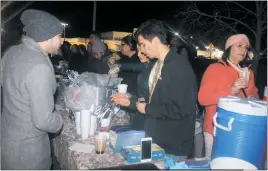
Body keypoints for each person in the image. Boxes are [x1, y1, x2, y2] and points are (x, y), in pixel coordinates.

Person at [1, 9, 63, 169]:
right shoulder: (39, 65)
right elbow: (43, 121)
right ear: (47, 36)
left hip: (7, 140)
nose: (61, 41)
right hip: (27, 153)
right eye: (59, 36)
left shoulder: (11, 52)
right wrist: (60, 121)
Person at [135, 19, 197, 161]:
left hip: (172, 146)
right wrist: (134, 102)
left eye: (144, 45)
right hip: (157, 140)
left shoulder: (178, 67)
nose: (142, 50)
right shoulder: (160, 64)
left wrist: (148, 109)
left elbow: (182, 109)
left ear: (155, 40)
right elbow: (157, 99)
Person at [198, 34, 259, 158]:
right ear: (229, 48)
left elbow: (255, 96)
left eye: (246, 47)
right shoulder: (215, 69)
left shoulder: (248, 73)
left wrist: (252, 99)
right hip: (217, 129)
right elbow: (203, 98)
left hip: (242, 129)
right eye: (239, 46)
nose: (243, 50)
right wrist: (231, 90)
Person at [111, 45, 156, 130]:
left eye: (141, 52)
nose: (138, 54)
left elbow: (151, 99)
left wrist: (131, 101)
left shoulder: (155, 69)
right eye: (138, 51)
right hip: (141, 111)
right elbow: (142, 95)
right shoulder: (146, 66)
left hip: (150, 116)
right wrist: (130, 97)